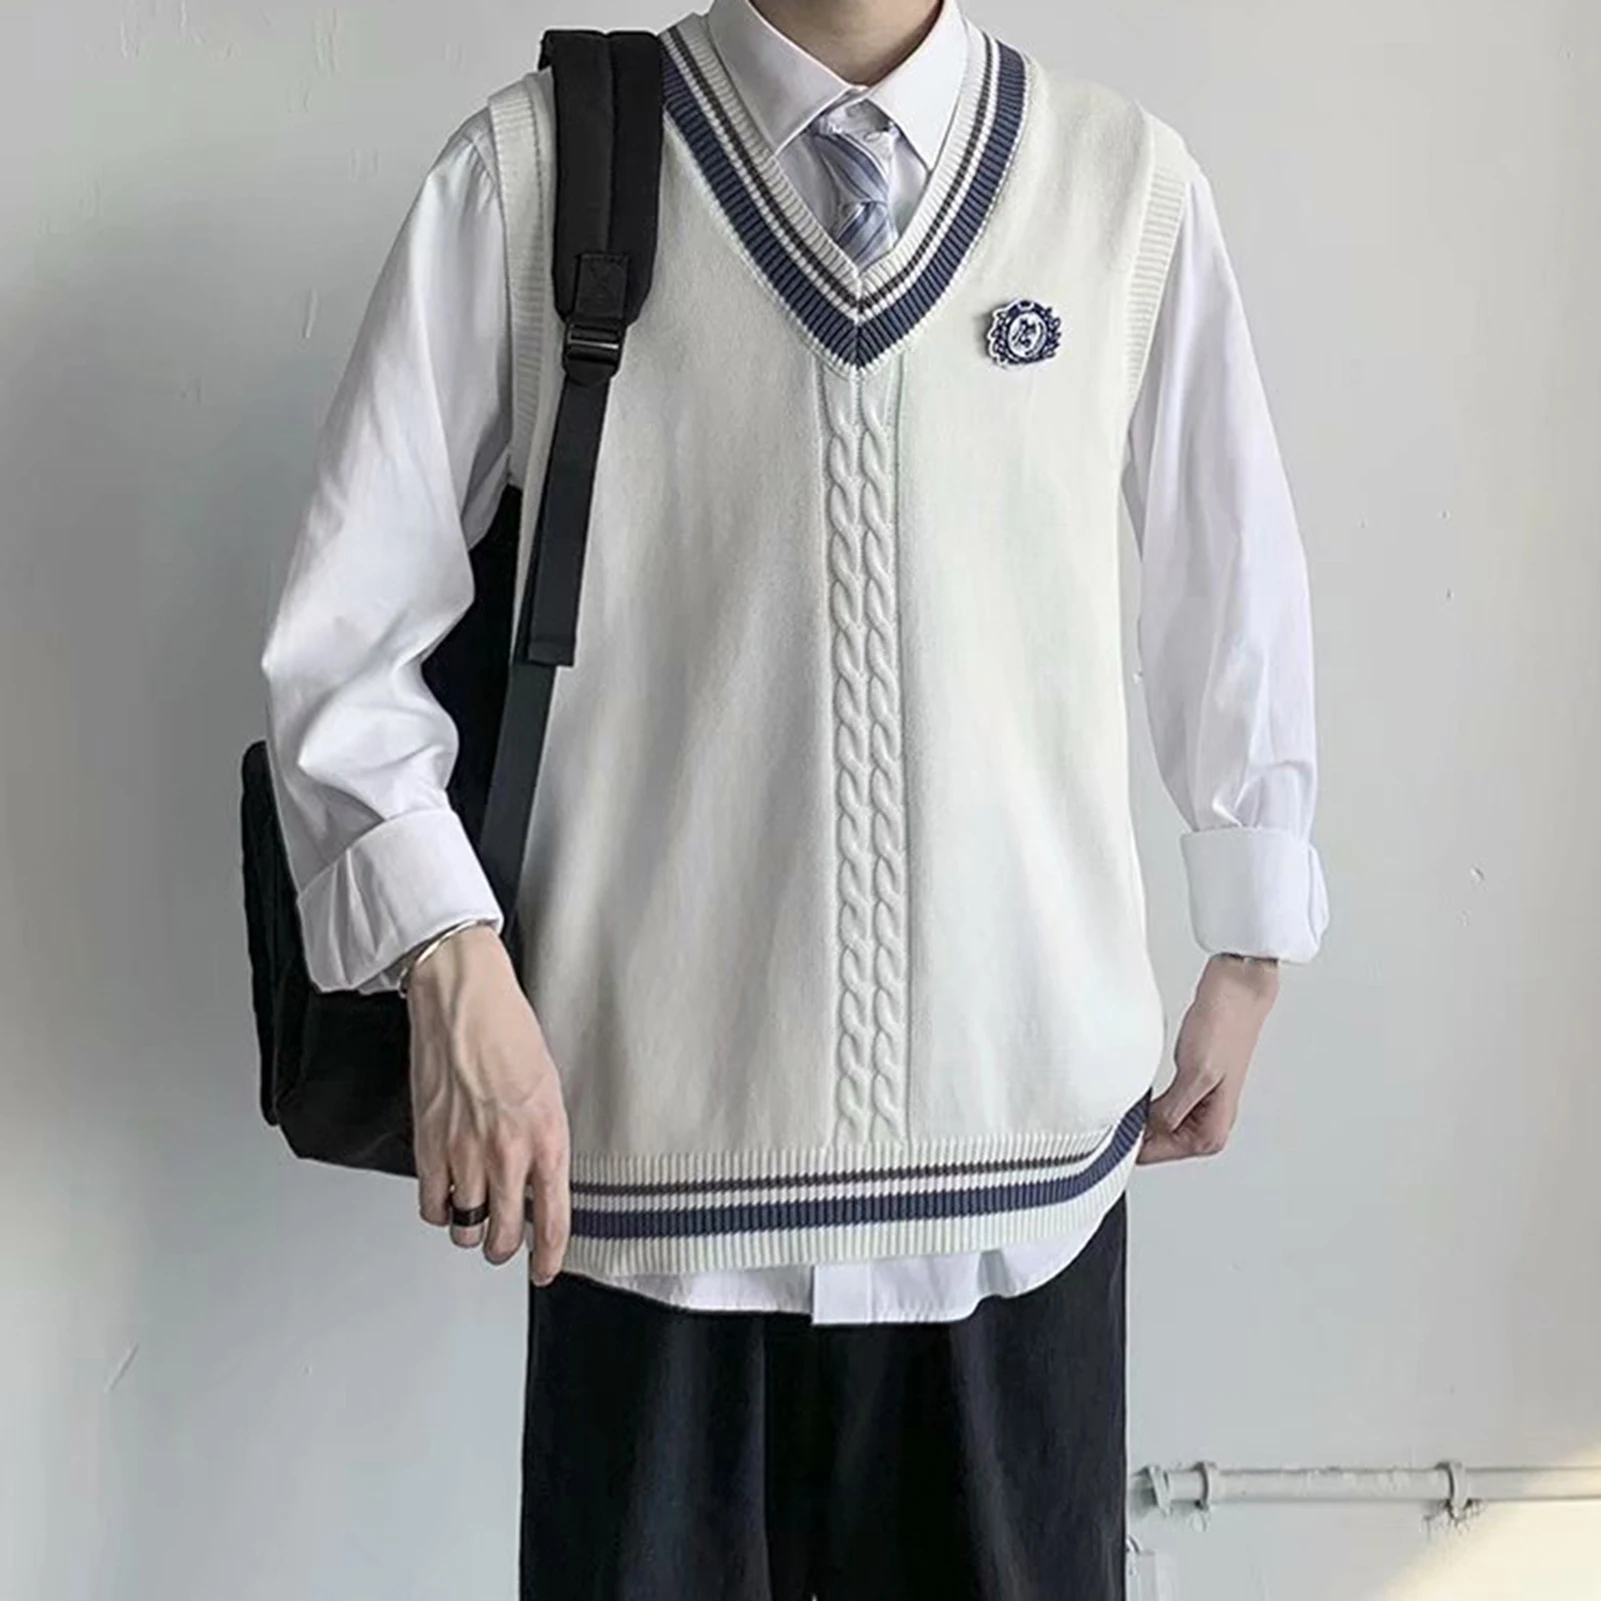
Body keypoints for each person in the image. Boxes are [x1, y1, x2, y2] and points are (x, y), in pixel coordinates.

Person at [259, 0, 1329, 1595]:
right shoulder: (535, 172)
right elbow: (344, 637)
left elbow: (1228, 577)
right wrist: (448, 962)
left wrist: (1250, 937)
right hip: (644, 1204)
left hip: (1020, 1190)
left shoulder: (1122, 189)